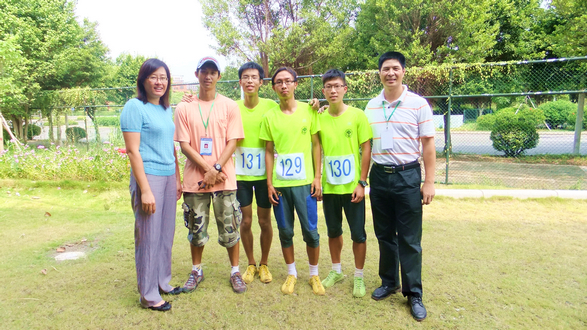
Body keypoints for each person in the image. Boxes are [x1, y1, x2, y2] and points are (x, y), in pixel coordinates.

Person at [365, 51, 436, 321]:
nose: (390, 73)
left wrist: (428, 182)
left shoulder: (418, 104)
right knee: (384, 234)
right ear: (379, 73)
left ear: (403, 71)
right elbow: (365, 144)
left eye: (395, 68)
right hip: (380, 176)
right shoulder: (371, 106)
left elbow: (428, 145)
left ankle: (414, 293)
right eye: (385, 69)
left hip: (407, 175)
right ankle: (389, 281)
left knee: (409, 238)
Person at [174, 56, 247, 294]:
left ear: (218, 76)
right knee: (196, 229)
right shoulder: (184, 107)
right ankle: (197, 270)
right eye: (203, 72)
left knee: (230, 227)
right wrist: (207, 170)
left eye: (212, 72)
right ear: (196, 75)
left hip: (224, 180)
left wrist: (215, 169)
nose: (208, 76)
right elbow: (184, 145)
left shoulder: (229, 106)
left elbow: (233, 141)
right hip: (196, 182)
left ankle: (235, 271)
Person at [120, 58, 182, 312]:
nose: (159, 82)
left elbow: (171, 146)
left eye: (164, 77)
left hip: (168, 177)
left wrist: (177, 178)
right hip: (149, 177)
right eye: (154, 77)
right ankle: (148, 294)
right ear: (143, 80)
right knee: (148, 236)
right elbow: (133, 152)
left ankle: (162, 282)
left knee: (166, 234)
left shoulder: (166, 109)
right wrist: (145, 189)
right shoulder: (135, 107)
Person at [259, 67, 325, 295]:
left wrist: (317, 177)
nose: (284, 86)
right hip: (280, 186)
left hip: (305, 184)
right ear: (273, 86)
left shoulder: (310, 110)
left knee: (311, 231)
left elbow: (317, 144)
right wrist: (269, 183)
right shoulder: (270, 117)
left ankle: (314, 275)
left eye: (288, 81)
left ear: (296, 84)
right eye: (279, 82)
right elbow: (268, 151)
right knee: (285, 231)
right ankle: (292, 274)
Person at [316, 69, 372, 298]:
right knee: (333, 231)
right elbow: (316, 148)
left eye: (337, 86)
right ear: (323, 91)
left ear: (345, 89)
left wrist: (362, 182)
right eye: (329, 86)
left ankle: (358, 276)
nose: (333, 90)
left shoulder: (358, 115)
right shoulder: (318, 116)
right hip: (329, 188)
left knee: (358, 234)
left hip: (352, 189)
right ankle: (336, 270)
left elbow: (366, 148)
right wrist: (318, 180)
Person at [234, 62, 278, 284]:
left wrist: (317, 106)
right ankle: (250, 263)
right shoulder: (232, 107)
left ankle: (264, 263)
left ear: (262, 82)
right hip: (240, 175)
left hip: (264, 176)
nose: (249, 80)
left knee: (264, 221)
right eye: (245, 77)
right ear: (240, 82)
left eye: (254, 77)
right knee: (245, 221)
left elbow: (293, 109)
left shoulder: (271, 106)